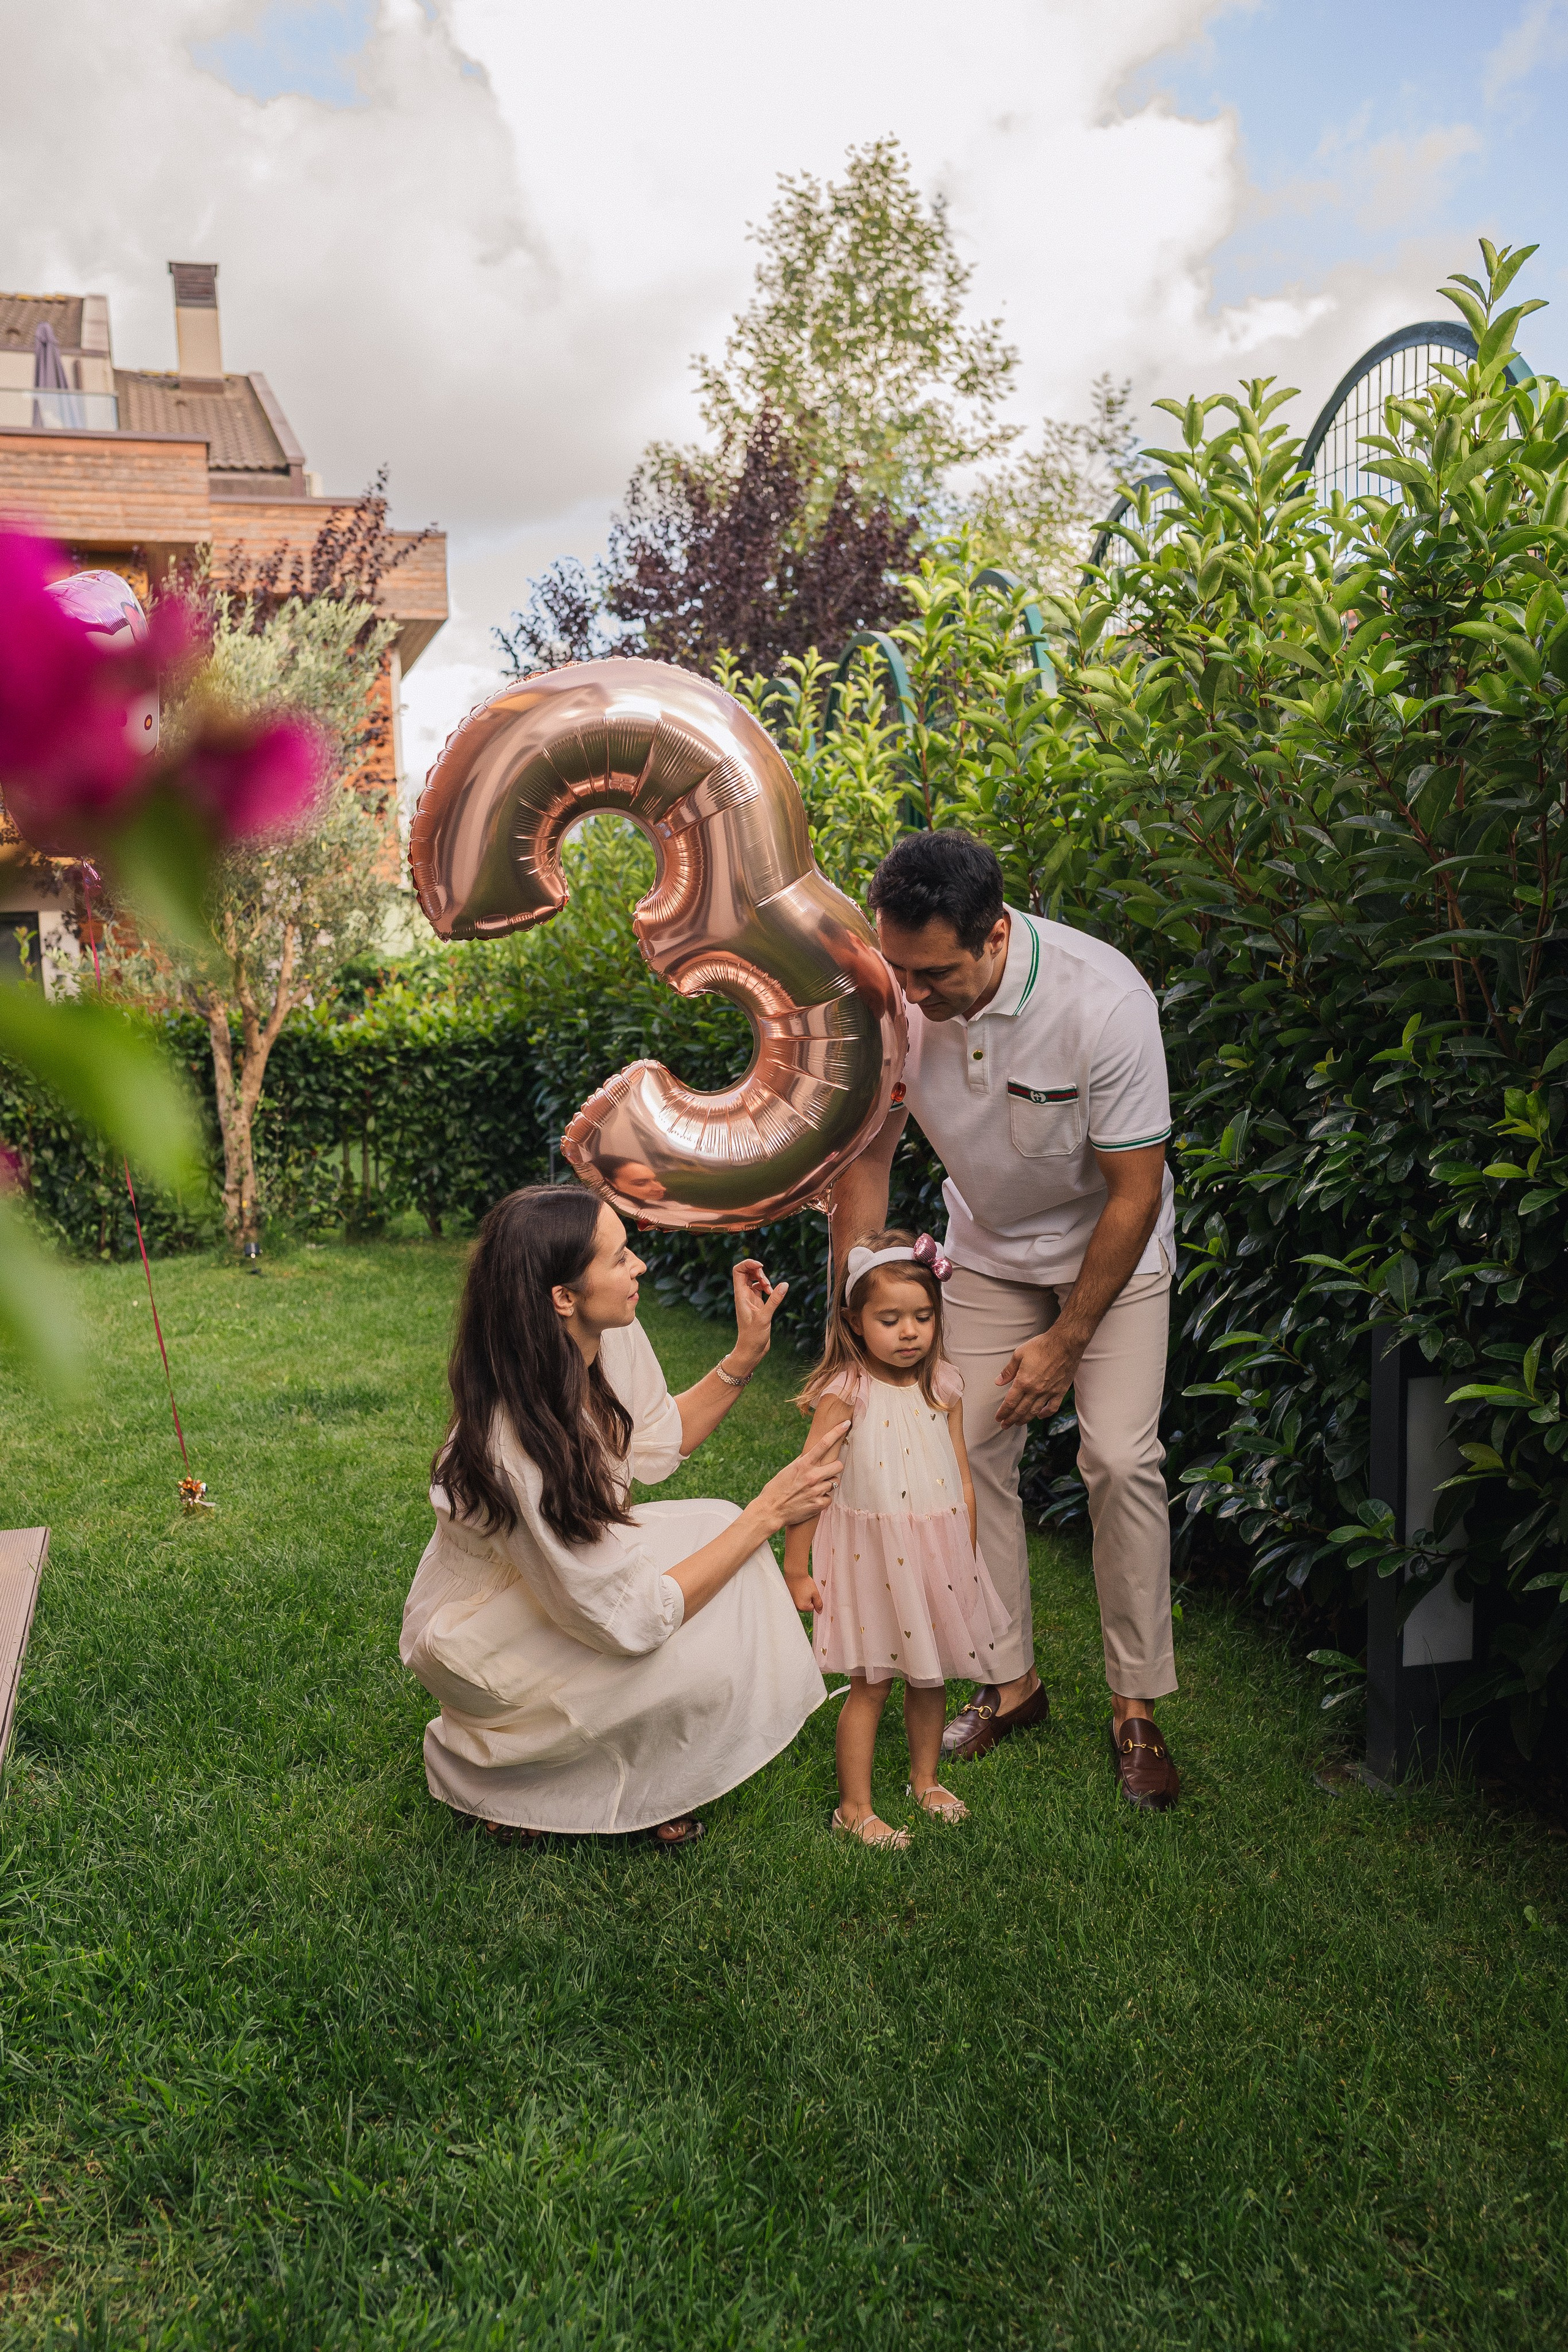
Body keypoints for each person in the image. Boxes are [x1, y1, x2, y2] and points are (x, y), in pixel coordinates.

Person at [829, 829, 1182, 1811]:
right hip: (984, 1250)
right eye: (897, 966)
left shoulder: (1102, 1000)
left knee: (1118, 1459)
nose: (910, 993)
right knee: (959, 1452)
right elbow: (867, 1159)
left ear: (993, 937)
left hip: (1110, 1250)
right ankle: (1010, 1682)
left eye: (931, 973)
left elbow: (1134, 1193)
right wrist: (851, 1313)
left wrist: (1068, 1340)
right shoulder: (894, 993)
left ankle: (1136, 1707)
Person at [399, 1185, 843, 1845]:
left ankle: (640, 1767)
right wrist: (768, 1513)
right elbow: (634, 1622)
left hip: (546, 1592)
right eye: (618, 1259)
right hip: (477, 1644)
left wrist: (746, 1353)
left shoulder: (603, 1336)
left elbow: (661, 1439)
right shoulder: (514, 1446)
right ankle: (511, 1776)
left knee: (720, 1532)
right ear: (563, 1298)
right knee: (692, 1617)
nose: (639, 1267)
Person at [783, 1227, 1011, 1848]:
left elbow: (962, 1479)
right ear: (855, 1322)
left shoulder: (946, 1388)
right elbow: (810, 1484)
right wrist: (796, 1567)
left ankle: (924, 1779)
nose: (909, 1332)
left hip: (936, 1555)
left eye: (922, 1317)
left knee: (930, 1676)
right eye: (890, 1319)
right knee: (873, 1682)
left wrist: (964, 1554)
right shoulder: (846, 1394)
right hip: (870, 1559)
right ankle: (853, 1808)